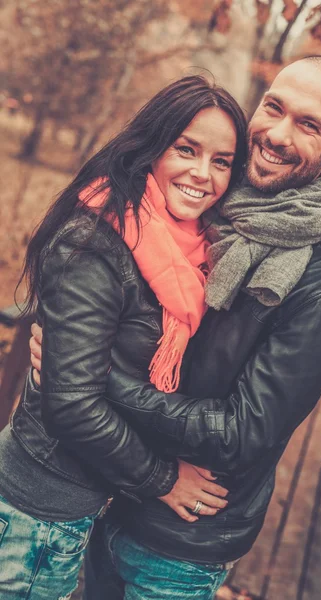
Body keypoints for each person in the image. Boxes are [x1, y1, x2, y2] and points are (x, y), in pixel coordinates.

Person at [31, 55, 321, 600]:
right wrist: (71, 339)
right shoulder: (210, 206)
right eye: (274, 107)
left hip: (179, 544)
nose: (278, 134)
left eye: (309, 125)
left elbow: (240, 435)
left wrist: (90, 378)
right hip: (114, 494)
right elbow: (115, 287)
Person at [0, 76, 248, 599]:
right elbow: (71, 404)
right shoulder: (98, 242)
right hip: (37, 515)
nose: (203, 174)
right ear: (152, 146)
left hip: (75, 509)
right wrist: (164, 478)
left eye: (222, 161)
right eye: (186, 149)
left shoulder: (191, 254)